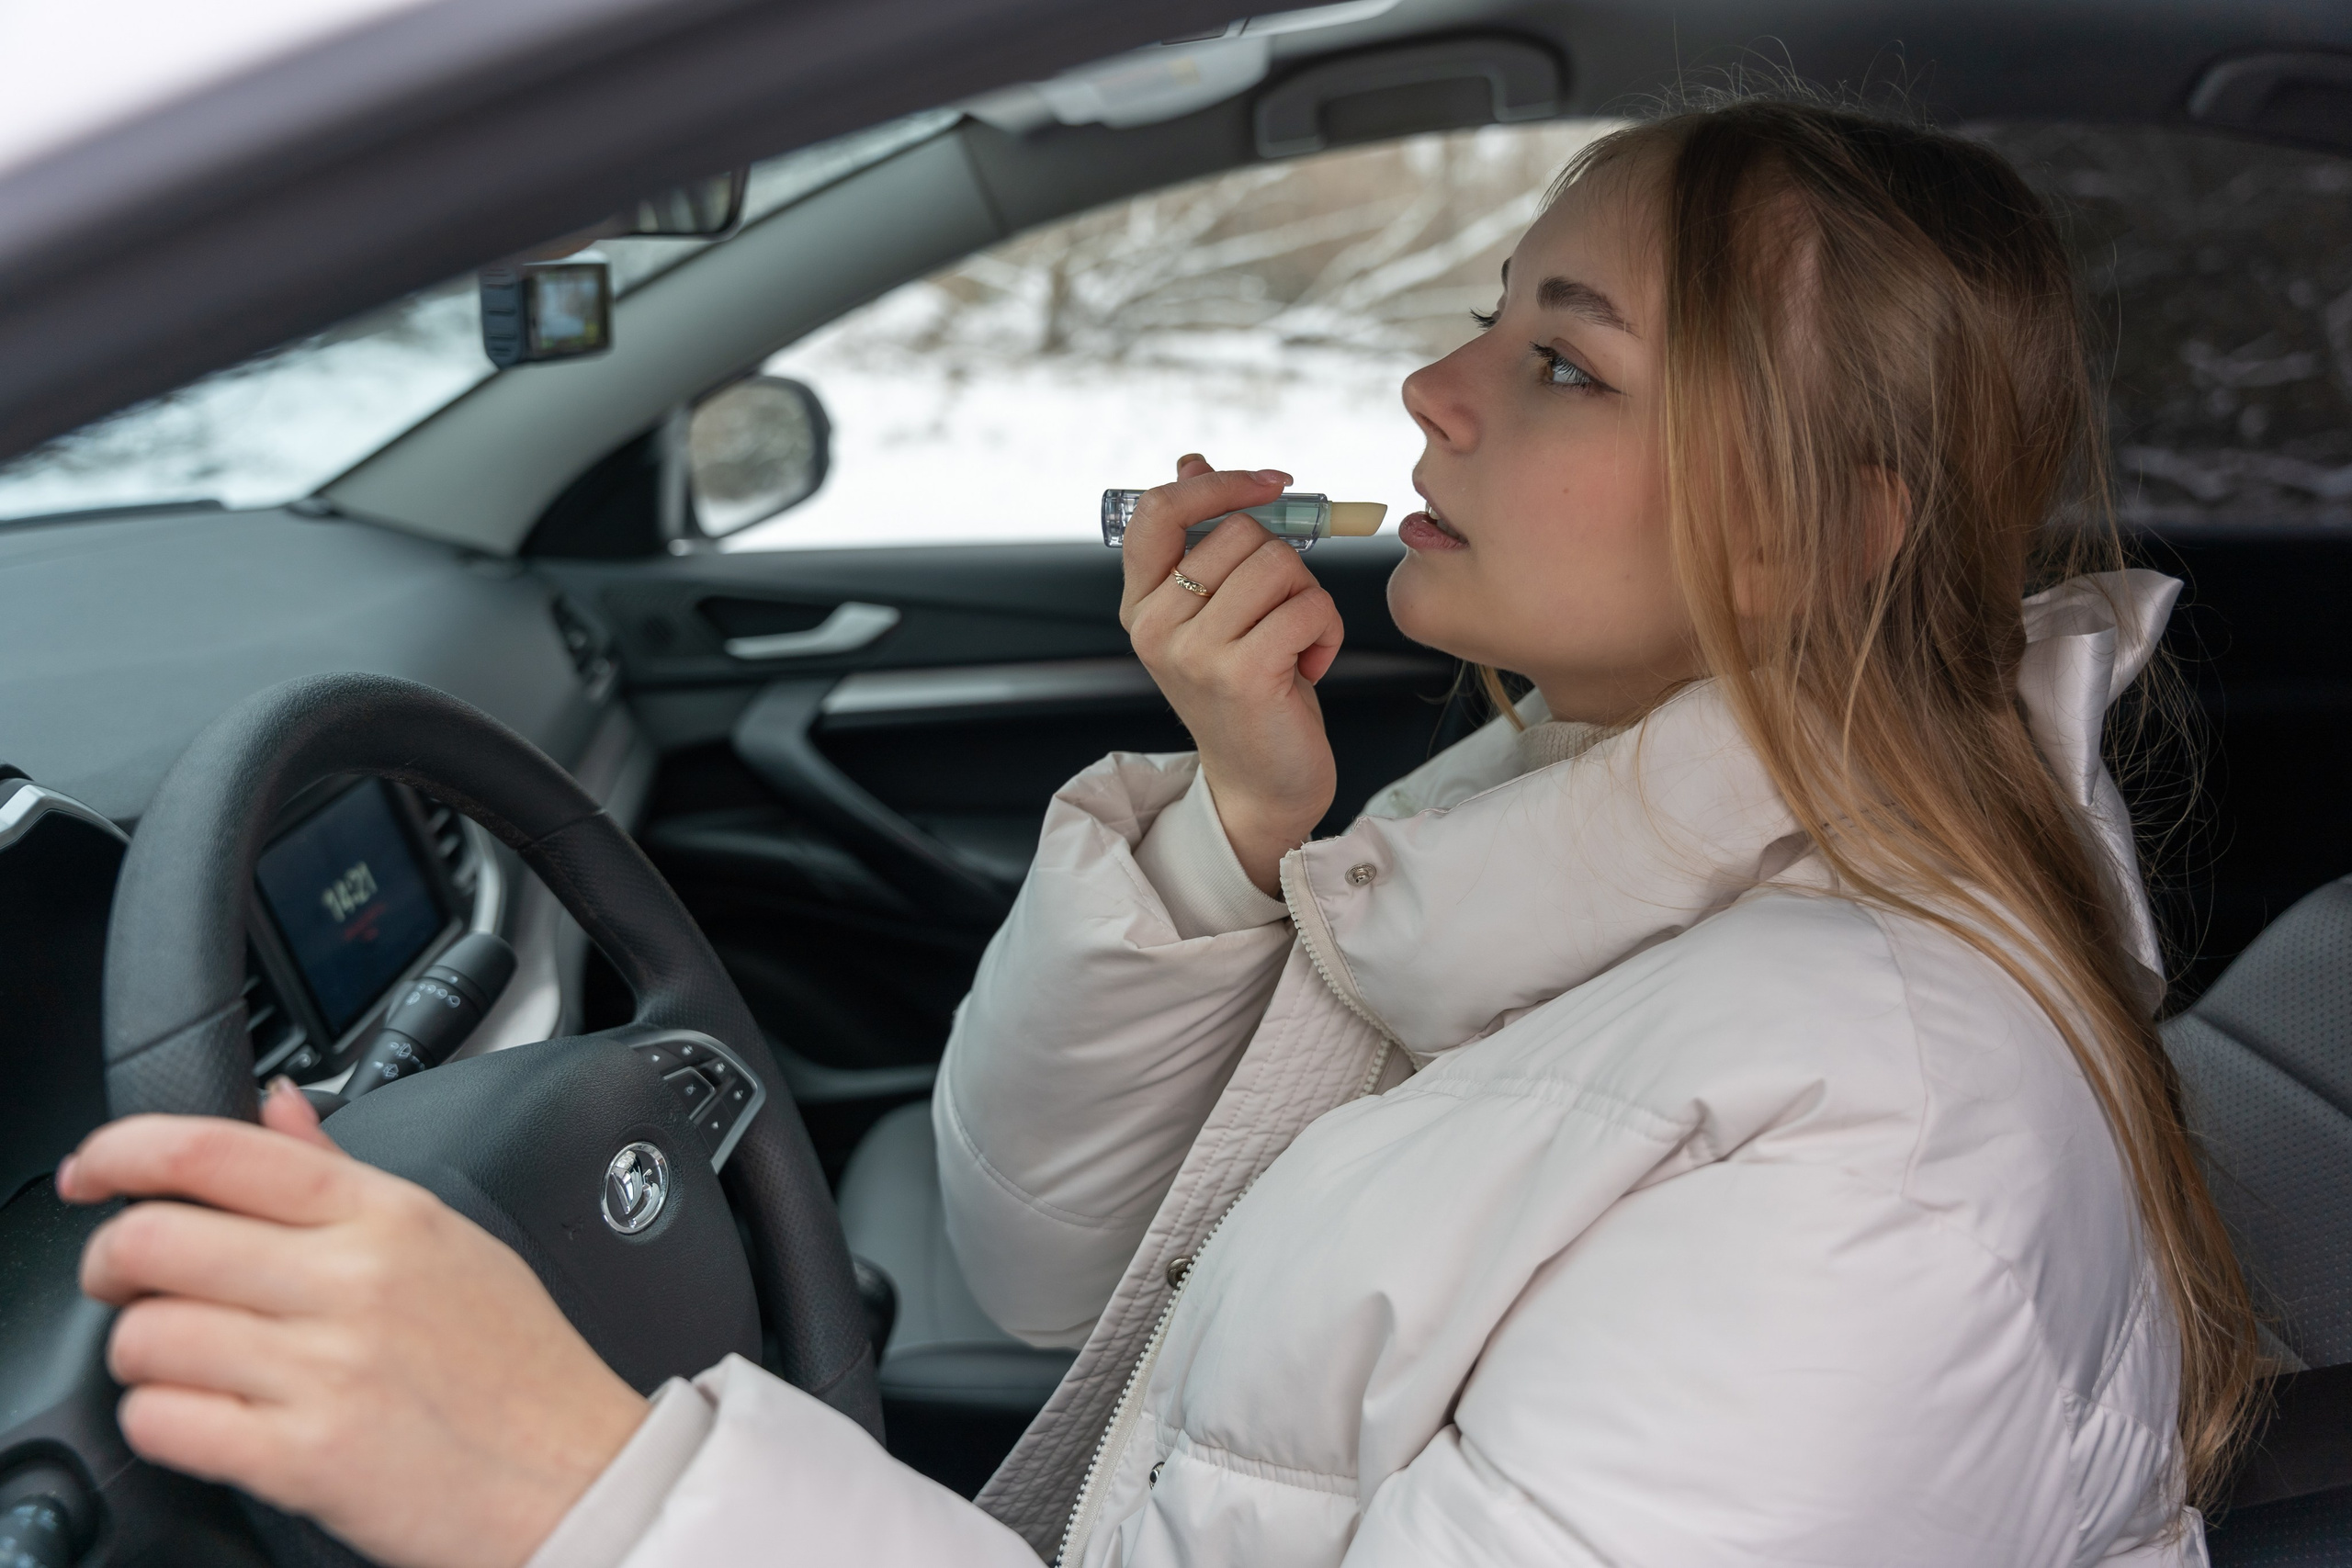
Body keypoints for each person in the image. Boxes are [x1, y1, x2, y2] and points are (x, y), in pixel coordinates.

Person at [58, 95, 2257, 1567]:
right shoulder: (1573, 824)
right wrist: (1235, 820)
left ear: (1821, 531)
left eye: (1564, 361)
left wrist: (590, 1482)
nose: (1436, 388)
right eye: (1483, 311)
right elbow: (1051, 1269)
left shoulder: (1885, 1153)